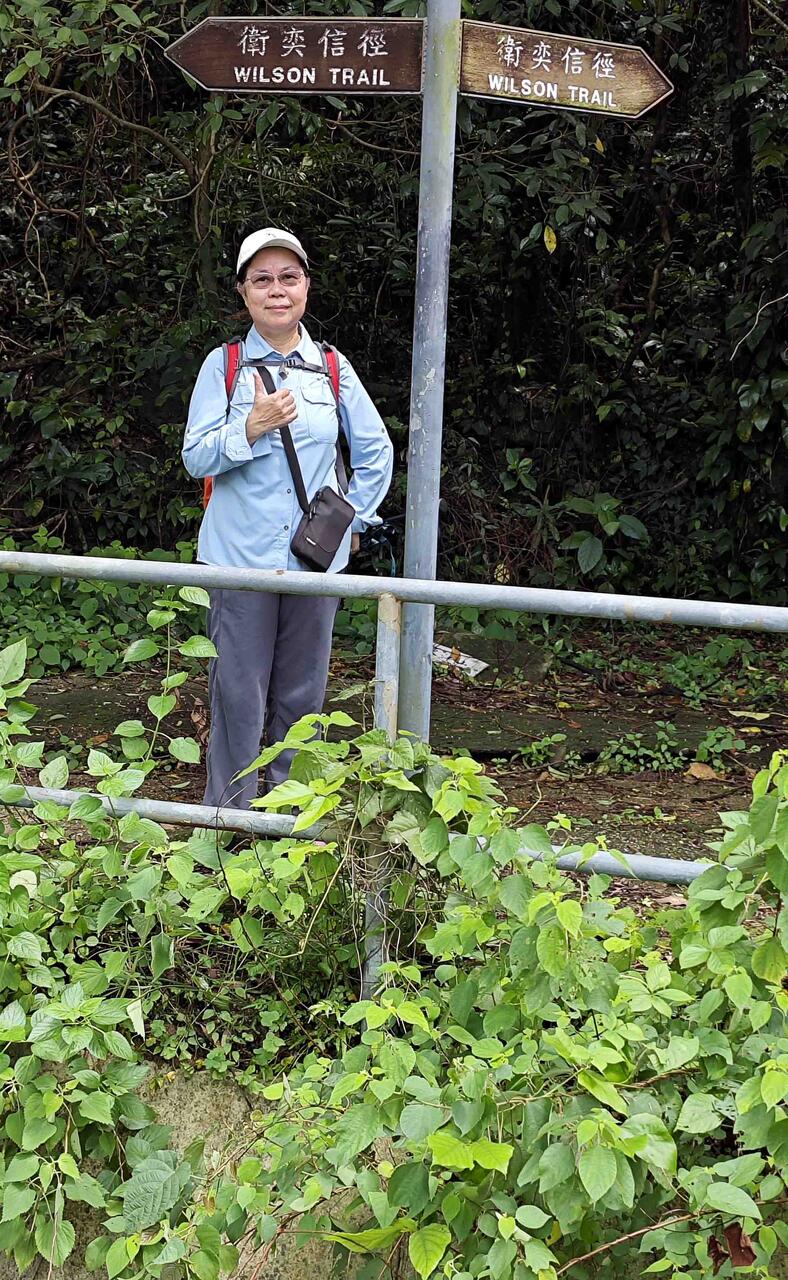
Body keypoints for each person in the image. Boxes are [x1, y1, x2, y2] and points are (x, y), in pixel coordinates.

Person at [182, 228, 393, 808]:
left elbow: (376, 452)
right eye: (262, 280)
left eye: (288, 278)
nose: (277, 290)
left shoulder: (333, 367)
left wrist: (348, 523)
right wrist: (249, 428)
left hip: (313, 563)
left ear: (306, 287)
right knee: (237, 697)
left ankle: (289, 818)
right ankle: (230, 825)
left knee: (303, 697)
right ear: (244, 292)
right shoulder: (224, 366)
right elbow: (195, 456)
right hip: (238, 560)